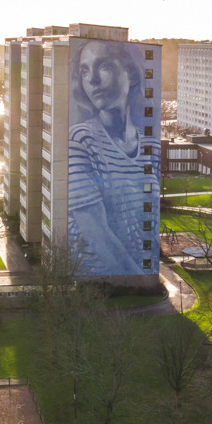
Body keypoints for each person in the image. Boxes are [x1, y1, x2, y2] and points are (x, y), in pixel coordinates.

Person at [68, 41, 157, 276]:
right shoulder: (81, 140)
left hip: (141, 278)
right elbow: (99, 238)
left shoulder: (151, 147)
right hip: (95, 289)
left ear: (130, 73)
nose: (92, 80)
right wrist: (144, 283)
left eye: (104, 66)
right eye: (84, 71)